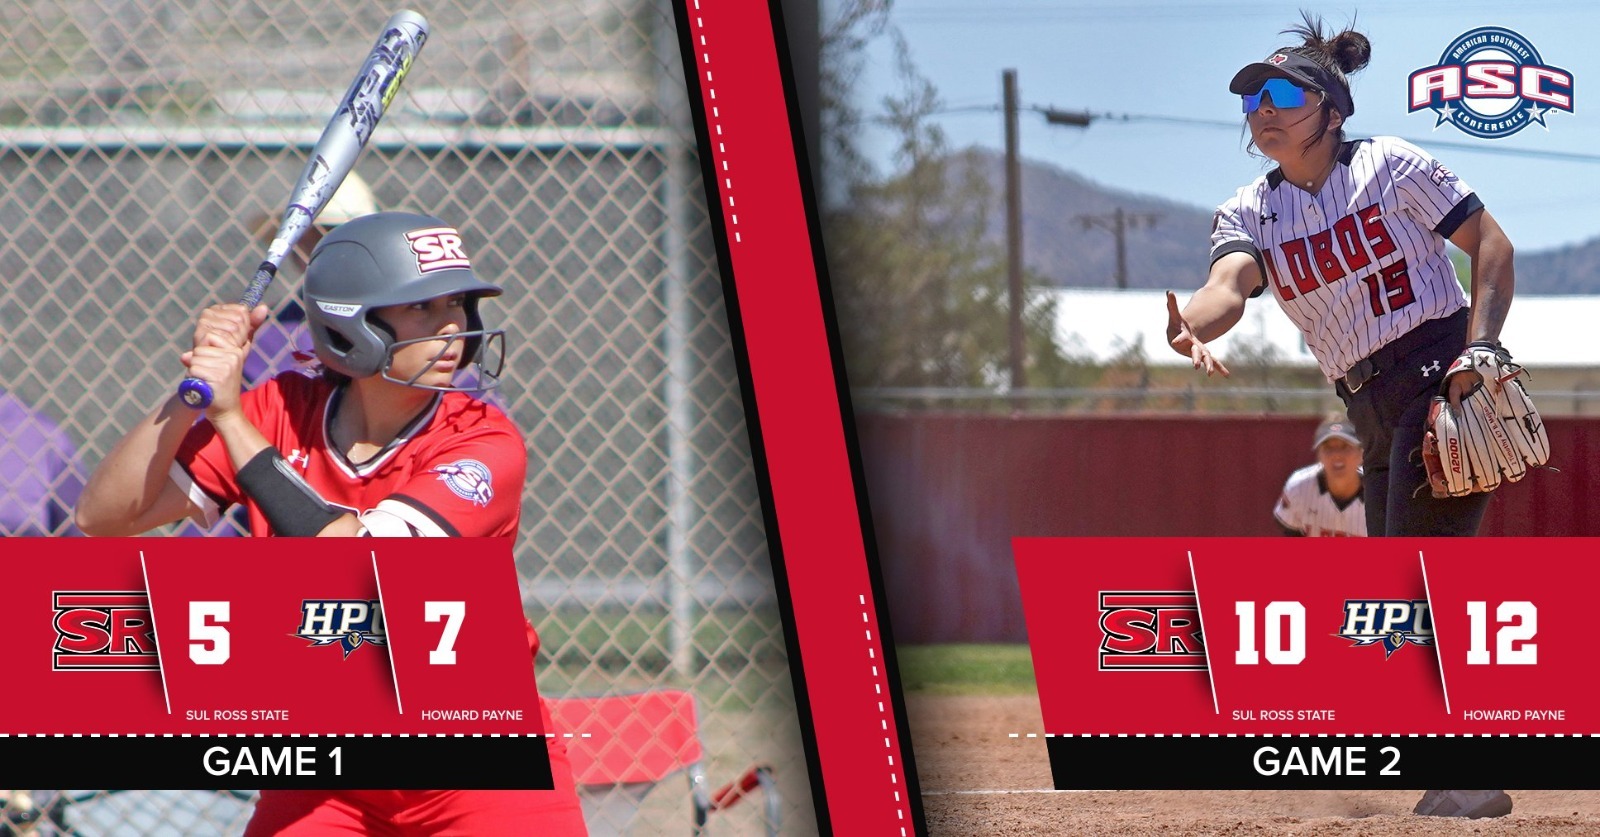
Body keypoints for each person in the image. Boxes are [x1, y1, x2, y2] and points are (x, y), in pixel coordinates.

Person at [74, 211, 587, 835]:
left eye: (458, 304)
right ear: (352, 324)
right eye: (423, 308)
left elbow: (360, 568)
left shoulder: (480, 440)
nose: (453, 326)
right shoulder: (282, 407)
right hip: (330, 765)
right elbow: (103, 515)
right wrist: (193, 393)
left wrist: (233, 423)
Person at [1163, 13, 1515, 820]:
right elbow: (1231, 286)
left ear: (1332, 108)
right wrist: (1195, 323)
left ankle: (1467, 774)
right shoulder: (1250, 210)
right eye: (1252, 96)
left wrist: (1482, 351)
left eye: (1285, 91)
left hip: (1441, 381)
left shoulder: (1390, 165)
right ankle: (1461, 772)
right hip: (1369, 408)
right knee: (1403, 591)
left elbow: (1490, 244)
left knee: (1418, 584)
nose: (1264, 107)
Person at [1274, 413, 1364, 537]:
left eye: (1345, 446)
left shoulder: (1381, 494)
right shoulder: (1299, 487)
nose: (1336, 455)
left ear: (1361, 453)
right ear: (1318, 455)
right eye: (1328, 448)